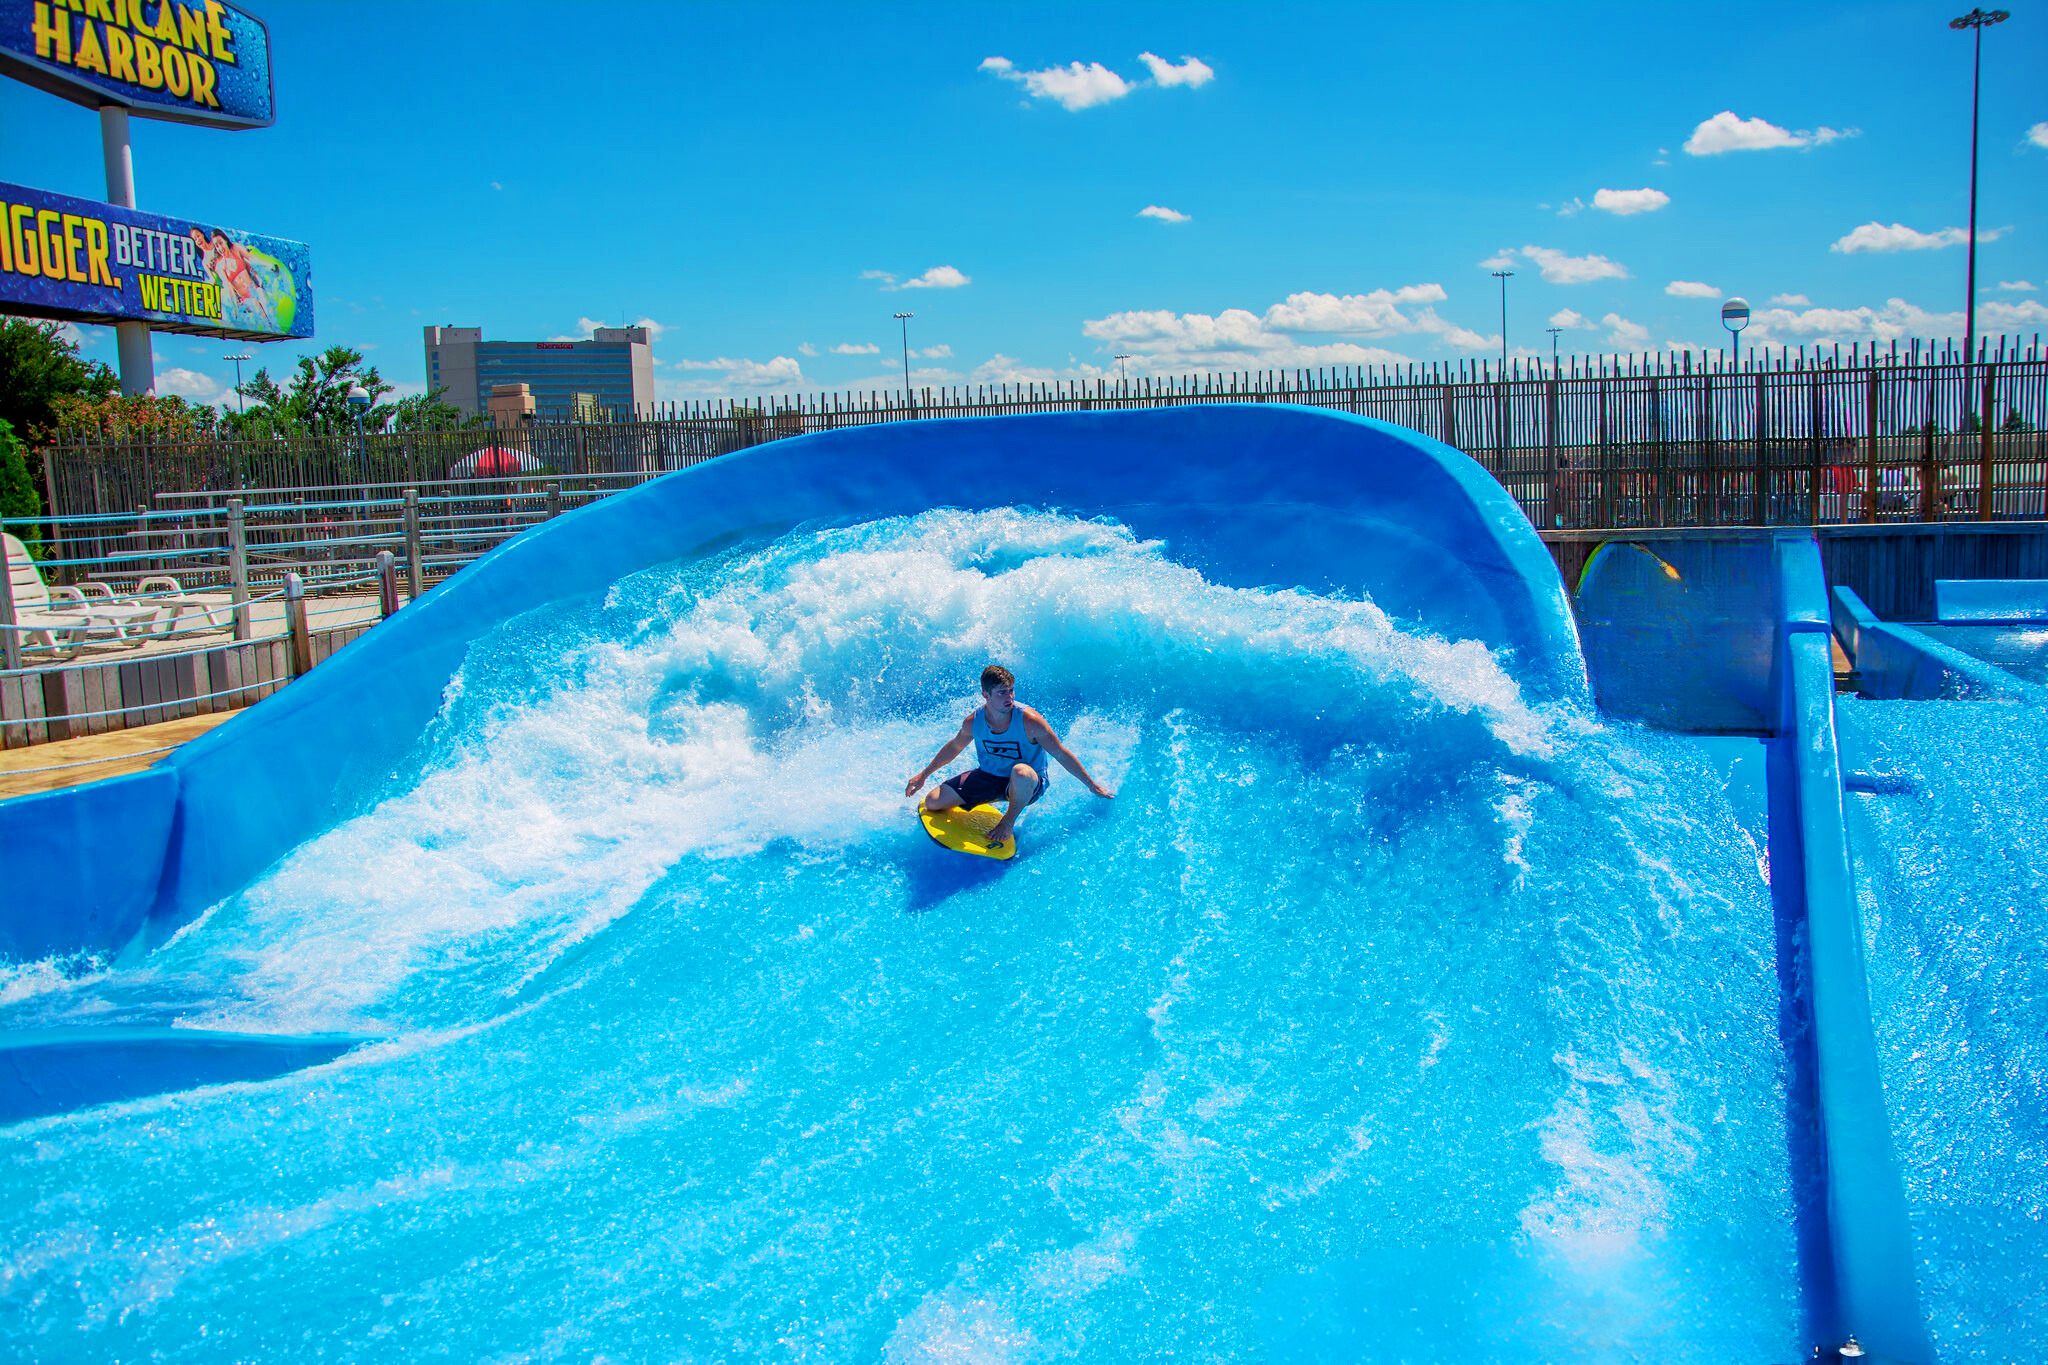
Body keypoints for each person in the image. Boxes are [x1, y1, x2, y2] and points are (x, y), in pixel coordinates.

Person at [906, 664, 1114, 846]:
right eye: (1002, 693)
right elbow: (954, 747)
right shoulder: (974, 722)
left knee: (1021, 772)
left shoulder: (1030, 721)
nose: (1010, 697)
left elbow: (1060, 753)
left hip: (1029, 783)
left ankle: (1008, 822)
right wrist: (924, 775)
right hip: (990, 777)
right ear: (986, 695)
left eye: (1011, 690)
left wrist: (1092, 785)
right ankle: (992, 797)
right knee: (933, 802)